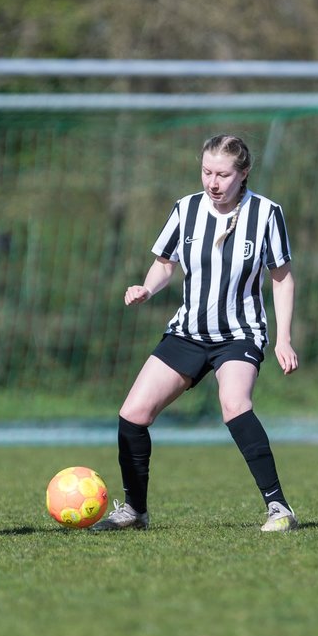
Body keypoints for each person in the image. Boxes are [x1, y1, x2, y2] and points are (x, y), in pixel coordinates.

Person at [91, 134, 300, 533]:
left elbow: (282, 279)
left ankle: (279, 508)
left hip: (239, 332)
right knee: (132, 415)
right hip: (188, 332)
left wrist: (284, 337)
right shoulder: (186, 209)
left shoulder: (266, 213)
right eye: (207, 172)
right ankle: (135, 511)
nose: (213, 182)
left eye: (223, 174)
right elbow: (165, 264)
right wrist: (146, 288)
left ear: (243, 174)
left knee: (234, 404)